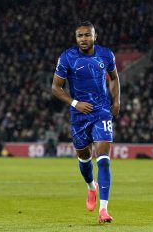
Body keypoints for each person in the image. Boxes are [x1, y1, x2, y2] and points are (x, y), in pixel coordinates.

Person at [51, 21, 120, 223]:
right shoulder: (67, 57)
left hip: (101, 111)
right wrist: (75, 103)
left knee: (103, 158)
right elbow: (56, 87)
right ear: (76, 38)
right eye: (80, 36)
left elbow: (114, 78)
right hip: (79, 115)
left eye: (87, 35)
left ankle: (104, 210)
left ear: (94, 36)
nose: (84, 39)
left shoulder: (106, 54)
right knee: (83, 156)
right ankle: (91, 187)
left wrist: (116, 101)